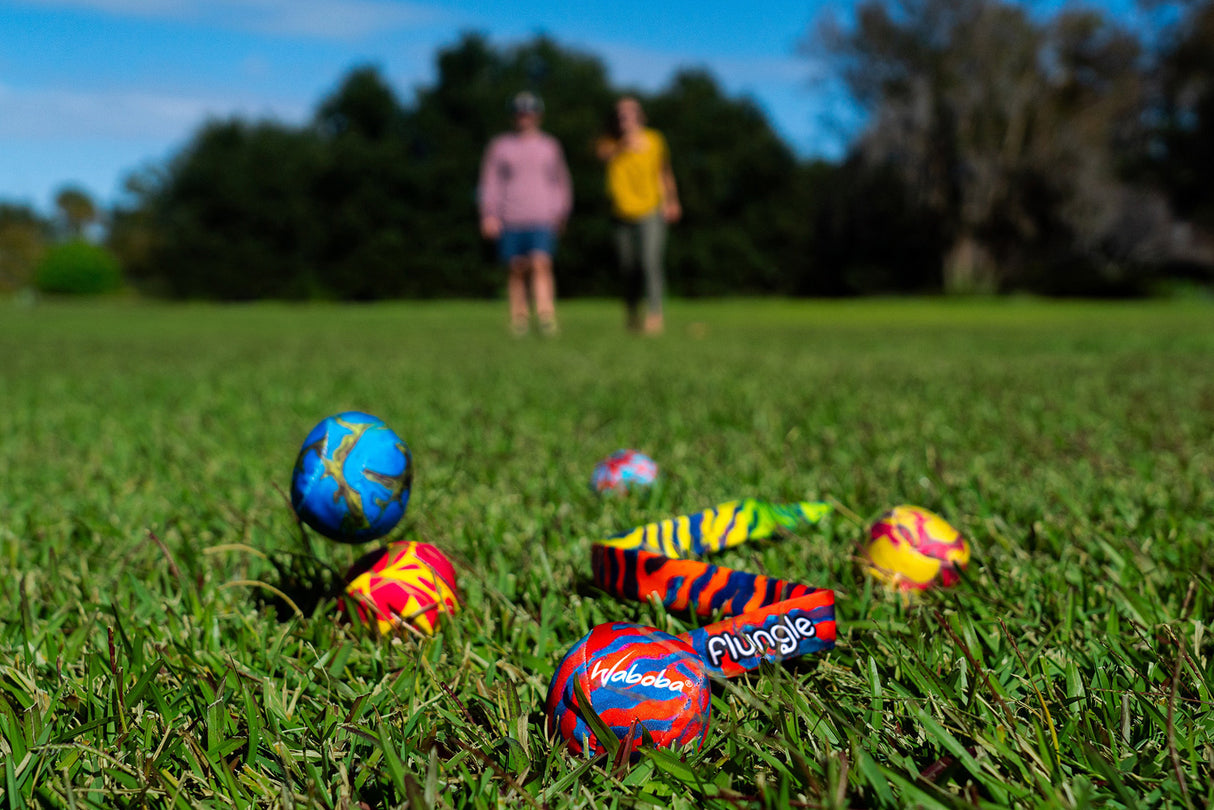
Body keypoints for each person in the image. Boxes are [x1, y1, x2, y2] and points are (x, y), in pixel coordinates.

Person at [478, 91, 573, 336]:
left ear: (537, 116)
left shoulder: (549, 145)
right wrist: (489, 214)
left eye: (529, 113)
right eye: (520, 113)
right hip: (510, 216)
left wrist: (561, 211)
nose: (524, 118)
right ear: (513, 117)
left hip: (542, 214)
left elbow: (560, 181)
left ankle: (545, 316)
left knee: (541, 263)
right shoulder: (500, 146)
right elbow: (490, 183)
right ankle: (518, 319)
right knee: (516, 268)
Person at [596, 96, 681, 334]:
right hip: (621, 211)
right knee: (629, 267)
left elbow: (663, 171)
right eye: (620, 114)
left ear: (640, 116)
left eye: (630, 113)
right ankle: (632, 314)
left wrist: (672, 201)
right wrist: (625, 144)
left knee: (650, 262)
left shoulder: (655, 139)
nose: (625, 118)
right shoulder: (609, 142)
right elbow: (603, 155)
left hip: (651, 209)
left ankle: (655, 316)